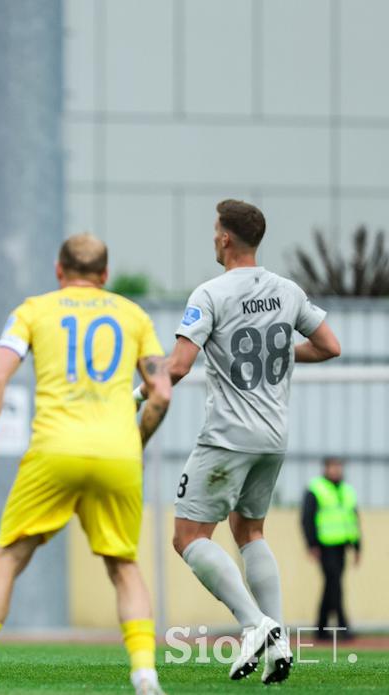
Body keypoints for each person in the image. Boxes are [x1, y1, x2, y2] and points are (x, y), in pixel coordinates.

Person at [0, 233, 173, 695]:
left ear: (59, 272)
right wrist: (133, 441)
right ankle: (145, 676)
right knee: (123, 564)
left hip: (53, 452)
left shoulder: (35, 310)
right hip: (118, 455)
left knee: (7, 558)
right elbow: (161, 393)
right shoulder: (133, 315)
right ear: (105, 275)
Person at [162, 200, 341, 685]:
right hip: (273, 437)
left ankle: (254, 624)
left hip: (227, 436)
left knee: (188, 538)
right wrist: (281, 351)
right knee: (249, 532)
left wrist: (144, 385)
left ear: (224, 239)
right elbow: (330, 346)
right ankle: (278, 637)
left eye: (214, 231)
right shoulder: (287, 291)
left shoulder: (211, 292)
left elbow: (177, 367)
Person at [302, 456, 360, 640]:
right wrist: (311, 544)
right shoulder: (316, 488)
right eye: (332, 467)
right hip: (324, 545)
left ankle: (320, 629)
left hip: (342, 545)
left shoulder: (347, 490)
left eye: (338, 467)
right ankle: (343, 626)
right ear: (325, 469)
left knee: (331, 585)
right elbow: (307, 518)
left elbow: (354, 519)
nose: (335, 470)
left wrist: (358, 547)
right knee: (335, 584)